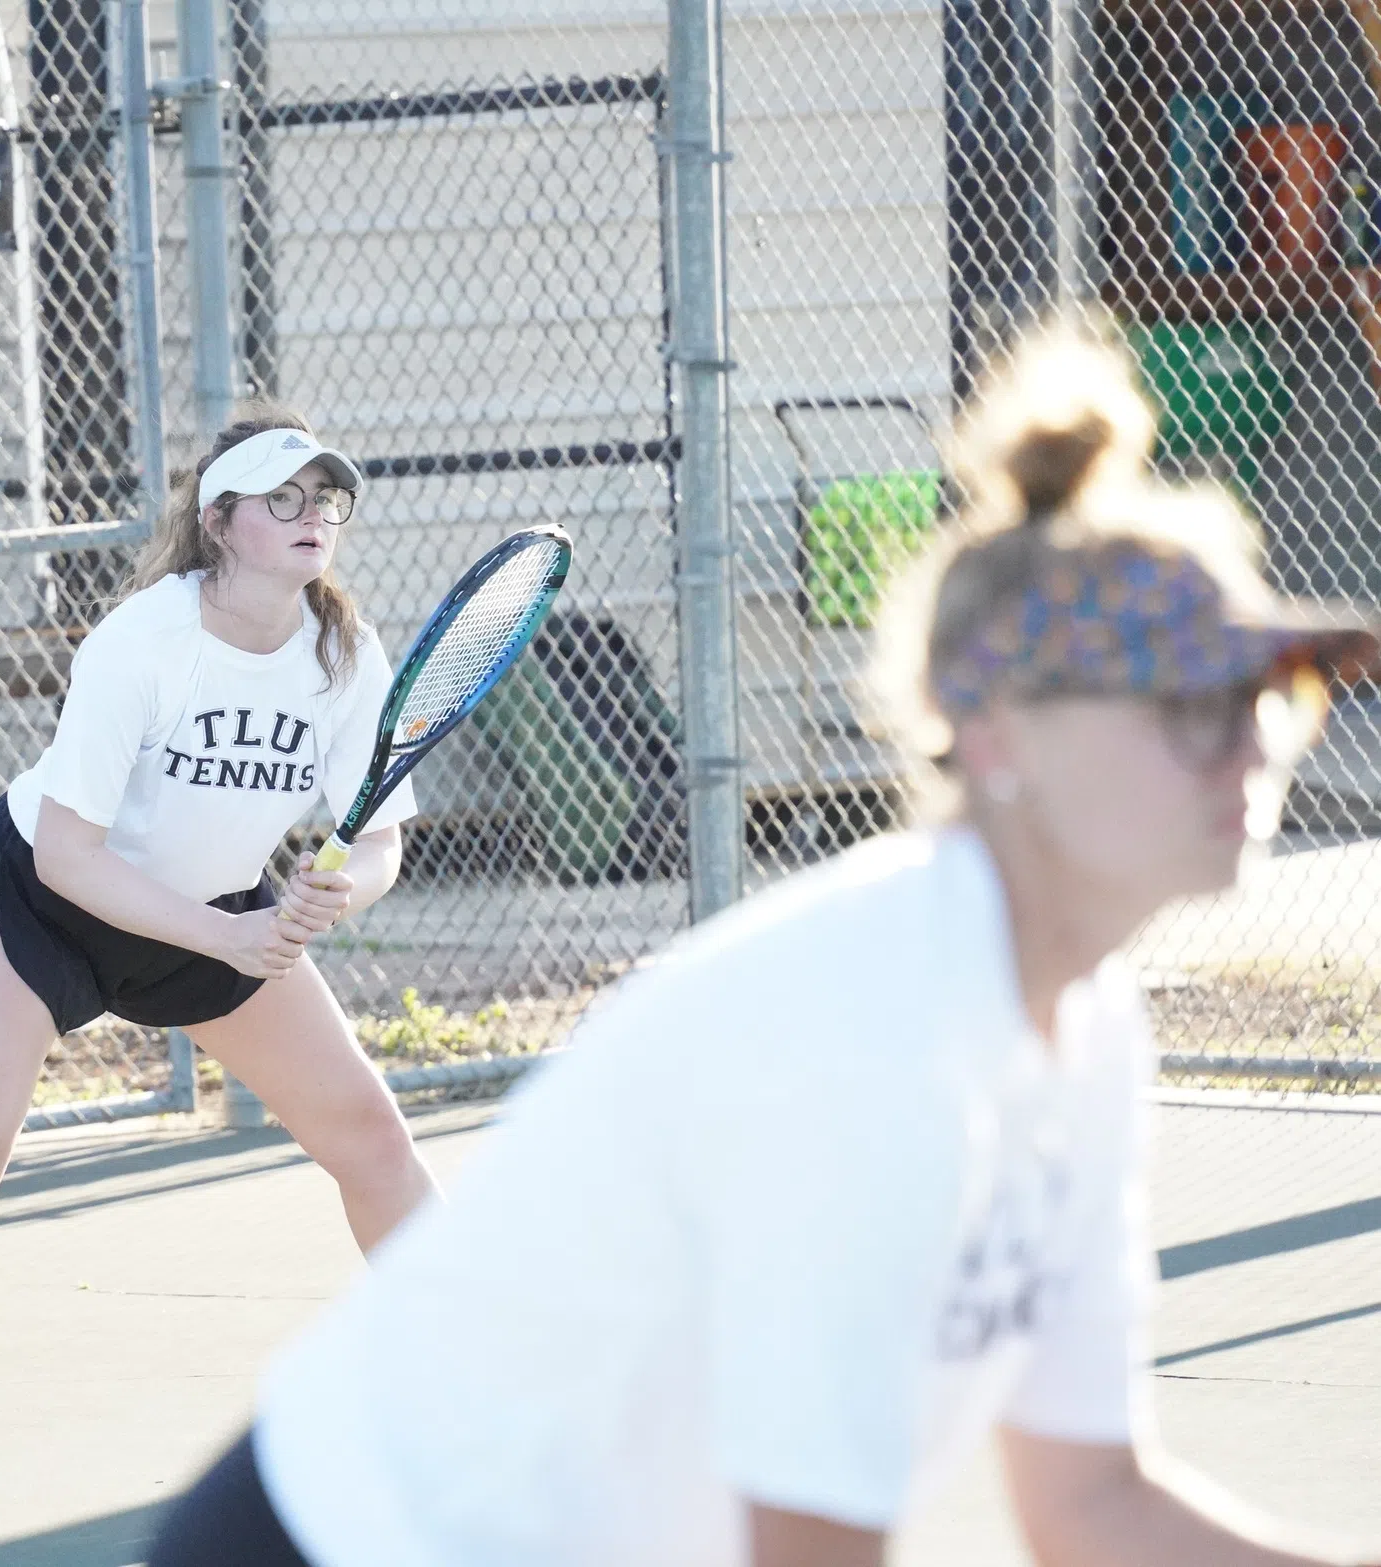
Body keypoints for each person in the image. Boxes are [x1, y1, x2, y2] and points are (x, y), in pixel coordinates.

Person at [147, 333, 1381, 1566]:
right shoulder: (869, 1038)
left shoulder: (1083, 1024)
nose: (1254, 739)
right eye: (1188, 699)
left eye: (1273, 687)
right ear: (999, 734)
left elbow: (1094, 1508)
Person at [0, 403, 442, 1544]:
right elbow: (71, 853)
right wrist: (227, 937)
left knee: (371, 1138)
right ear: (218, 519)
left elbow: (379, 836)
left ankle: (475, 1389)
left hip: (218, 915)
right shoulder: (142, 639)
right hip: (37, 902)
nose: (313, 516)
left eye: (326, 498)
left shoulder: (344, 650)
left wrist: (338, 891)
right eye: (283, 497)